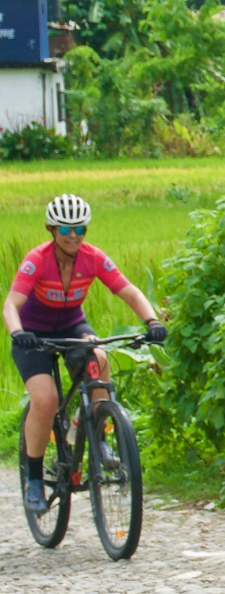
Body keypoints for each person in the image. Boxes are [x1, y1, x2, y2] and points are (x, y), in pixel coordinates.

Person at [6, 194, 167, 513]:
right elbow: (11, 304)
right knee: (46, 400)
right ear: (52, 230)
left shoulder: (93, 258)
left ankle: (97, 434)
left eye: (80, 229)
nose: (74, 236)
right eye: (66, 229)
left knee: (99, 358)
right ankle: (34, 479)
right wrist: (17, 332)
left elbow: (129, 291)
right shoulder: (37, 259)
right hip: (33, 333)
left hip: (71, 325)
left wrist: (152, 321)